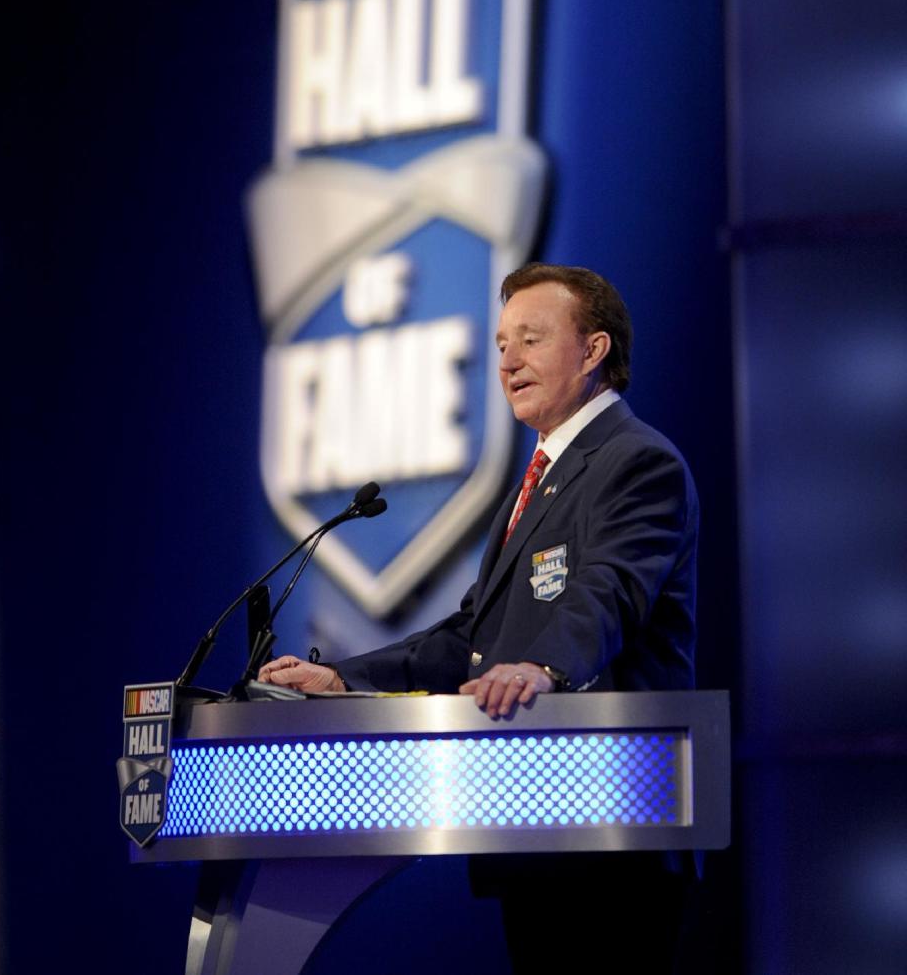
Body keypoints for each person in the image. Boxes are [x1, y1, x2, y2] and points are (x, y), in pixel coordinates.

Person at [258, 262, 698, 971]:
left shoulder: (636, 461)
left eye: (531, 338)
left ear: (594, 351)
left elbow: (608, 592)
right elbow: (470, 637)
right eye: (499, 344)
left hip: (612, 836)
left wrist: (542, 667)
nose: (508, 361)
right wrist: (341, 678)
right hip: (537, 830)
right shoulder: (543, 477)